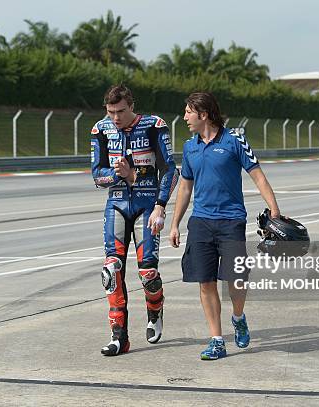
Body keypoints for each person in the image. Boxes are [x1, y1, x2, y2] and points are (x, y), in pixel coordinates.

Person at [169, 91, 280, 360]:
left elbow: (259, 178)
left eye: (188, 112)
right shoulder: (189, 146)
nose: (184, 117)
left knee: (236, 279)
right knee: (205, 282)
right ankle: (216, 339)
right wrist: (175, 224)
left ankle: (238, 317)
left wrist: (275, 213)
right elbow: (185, 187)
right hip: (201, 222)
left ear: (203, 114)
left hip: (231, 221)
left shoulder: (234, 141)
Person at [91, 84, 179, 356]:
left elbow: (170, 169)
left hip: (146, 206)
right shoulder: (100, 129)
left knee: (148, 273)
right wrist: (119, 175)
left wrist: (161, 205)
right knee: (111, 269)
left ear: (131, 105)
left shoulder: (154, 125)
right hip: (116, 205)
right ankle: (119, 336)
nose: (115, 117)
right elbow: (97, 176)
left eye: (120, 111)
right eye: (110, 112)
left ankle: (155, 310)